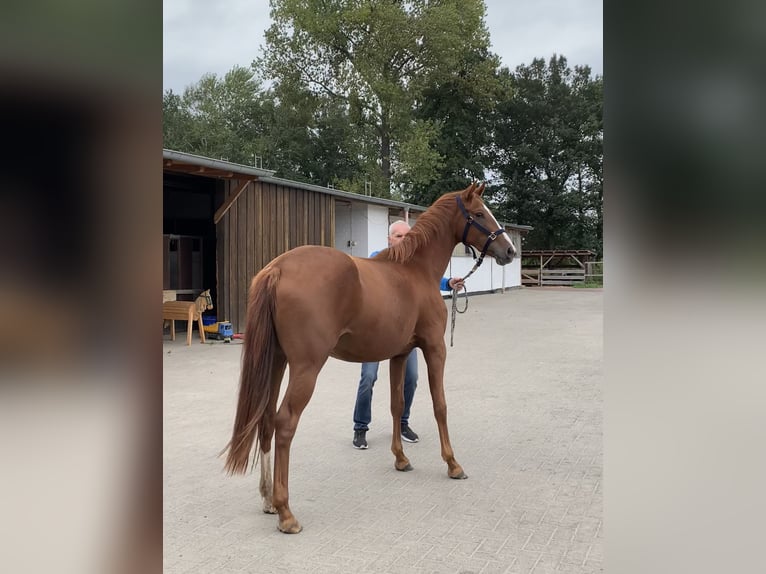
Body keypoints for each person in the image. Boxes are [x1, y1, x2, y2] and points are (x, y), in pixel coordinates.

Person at [352, 220, 464, 449]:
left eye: (407, 236)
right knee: (368, 378)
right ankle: (360, 427)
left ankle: (402, 423)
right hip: (377, 332)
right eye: (400, 236)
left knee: (411, 378)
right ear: (390, 239)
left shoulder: (412, 261)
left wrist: (447, 283)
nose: (405, 240)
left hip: (404, 332)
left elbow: (424, 280)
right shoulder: (378, 257)